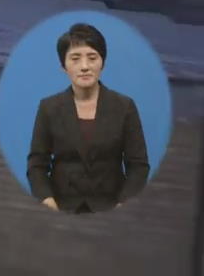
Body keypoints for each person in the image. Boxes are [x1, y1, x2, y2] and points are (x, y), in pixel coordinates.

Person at [27, 23, 150, 214]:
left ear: (102, 62)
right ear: (63, 66)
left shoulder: (124, 106)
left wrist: (123, 206)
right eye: (75, 59)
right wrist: (49, 204)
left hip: (111, 207)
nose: (84, 67)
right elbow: (37, 164)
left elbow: (138, 166)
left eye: (92, 58)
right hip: (61, 207)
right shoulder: (49, 107)